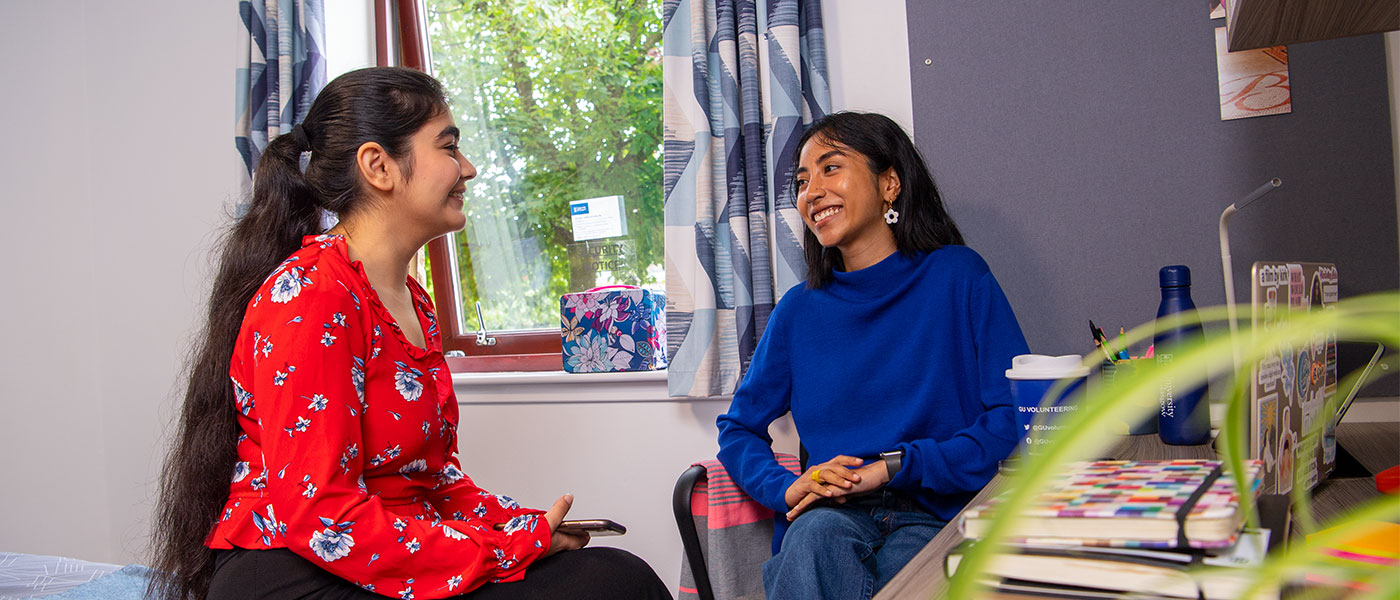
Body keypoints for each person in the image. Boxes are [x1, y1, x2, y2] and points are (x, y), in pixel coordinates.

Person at [149, 67, 670, 600]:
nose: (468, 168)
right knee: (611, 584)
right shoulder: (312, 295)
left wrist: (522, 528)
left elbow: (437, 483)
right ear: (378, 166)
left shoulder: (414, 301)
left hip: (385, 550)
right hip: (297, 572)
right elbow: (323, 517)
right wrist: (501, 550)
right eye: (449, 147)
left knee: (612, 573)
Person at [715, 111, 1029, 599]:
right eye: (802, 181)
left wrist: (896, 465)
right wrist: (785, 487)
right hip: (833, 515)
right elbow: (738, 429)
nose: (811, 192)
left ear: (889, 184)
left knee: (912, 576)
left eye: (830, 168)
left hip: (938, 510)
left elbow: (1013, 417)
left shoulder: (959, 277)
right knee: (811, 542)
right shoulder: (798, 311)